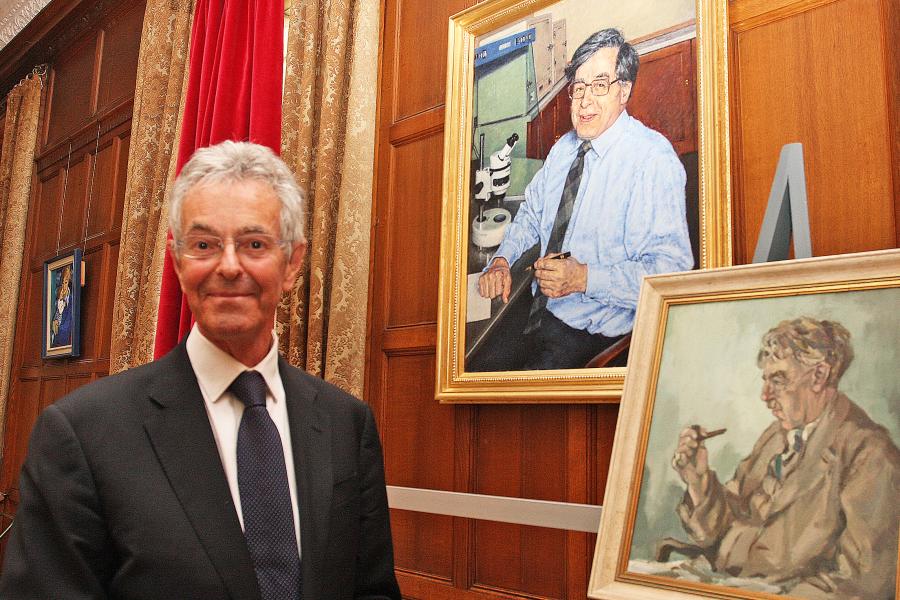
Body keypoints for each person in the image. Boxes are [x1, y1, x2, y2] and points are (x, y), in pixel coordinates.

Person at [0, 141, 402, 600]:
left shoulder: (345, 423)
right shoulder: (82, 434)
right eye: (205, 244)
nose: (228, 266)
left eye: (254, 244)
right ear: (177, 261)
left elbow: (373, 589)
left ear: (291, 264)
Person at [477, 28, 693, 370]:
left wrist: (583, 278)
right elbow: (532, 215)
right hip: (540, 311)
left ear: (624, 90)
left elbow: (672, 274)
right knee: (476, 369)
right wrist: (502, 260)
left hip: (595, 339)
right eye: (578, 87)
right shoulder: (563, 149)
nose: (584, 101)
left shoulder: (653, 159)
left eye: (599, 85)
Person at [671, 317, 900, 598]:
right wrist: (698, 482)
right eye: (765, 380)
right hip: (717, 581)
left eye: (778, 380)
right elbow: (719, 529)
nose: (765, 396)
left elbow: (861, 584)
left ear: (819, 376)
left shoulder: (870, 454)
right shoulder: (777, 435)